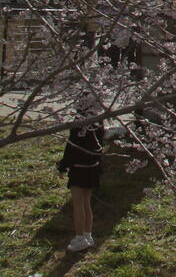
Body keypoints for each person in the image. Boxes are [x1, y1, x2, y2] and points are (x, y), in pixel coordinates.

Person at [56, 96, 105, 253]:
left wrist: (63, 166)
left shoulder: (79, 123)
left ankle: (79, 238)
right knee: (86, 204)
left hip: (79, 168)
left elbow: (71, 147)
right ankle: (87, 235)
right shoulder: (98, 122)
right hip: (93, 167)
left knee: (78, 205)